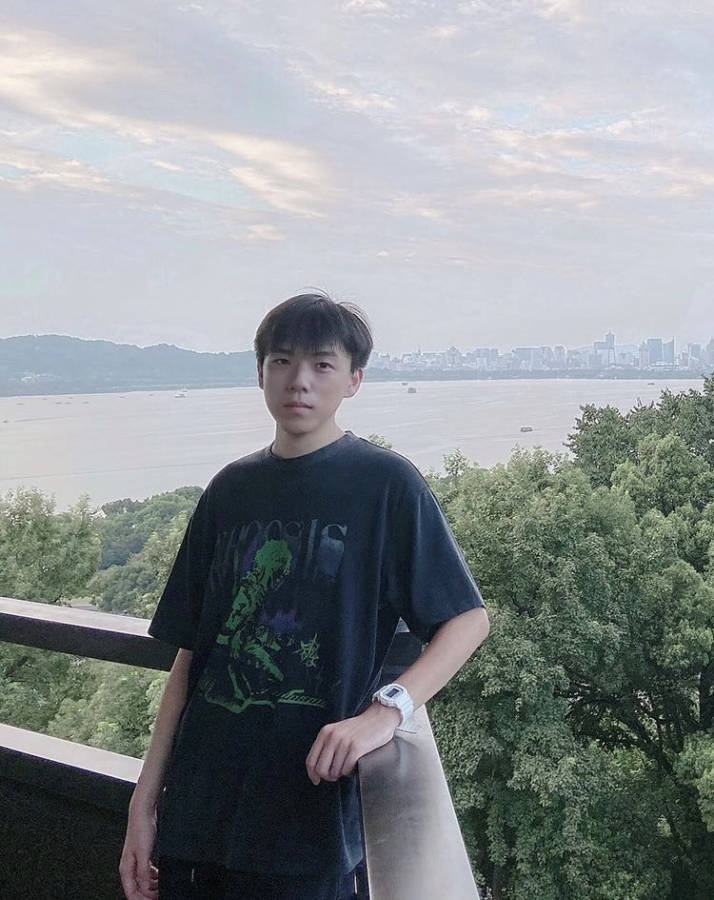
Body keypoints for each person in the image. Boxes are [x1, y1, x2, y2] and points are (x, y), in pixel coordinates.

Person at [120, 292, 490, 900]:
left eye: (322, 364)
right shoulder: (228, 492)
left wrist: (385, 712)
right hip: (196, 817)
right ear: (260, 372)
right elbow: (192, 657)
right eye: (282, 361)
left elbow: (468, 620)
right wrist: (144, 803)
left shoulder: (385, 485)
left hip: (306, 823)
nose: (299, 381)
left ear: (354, 380)